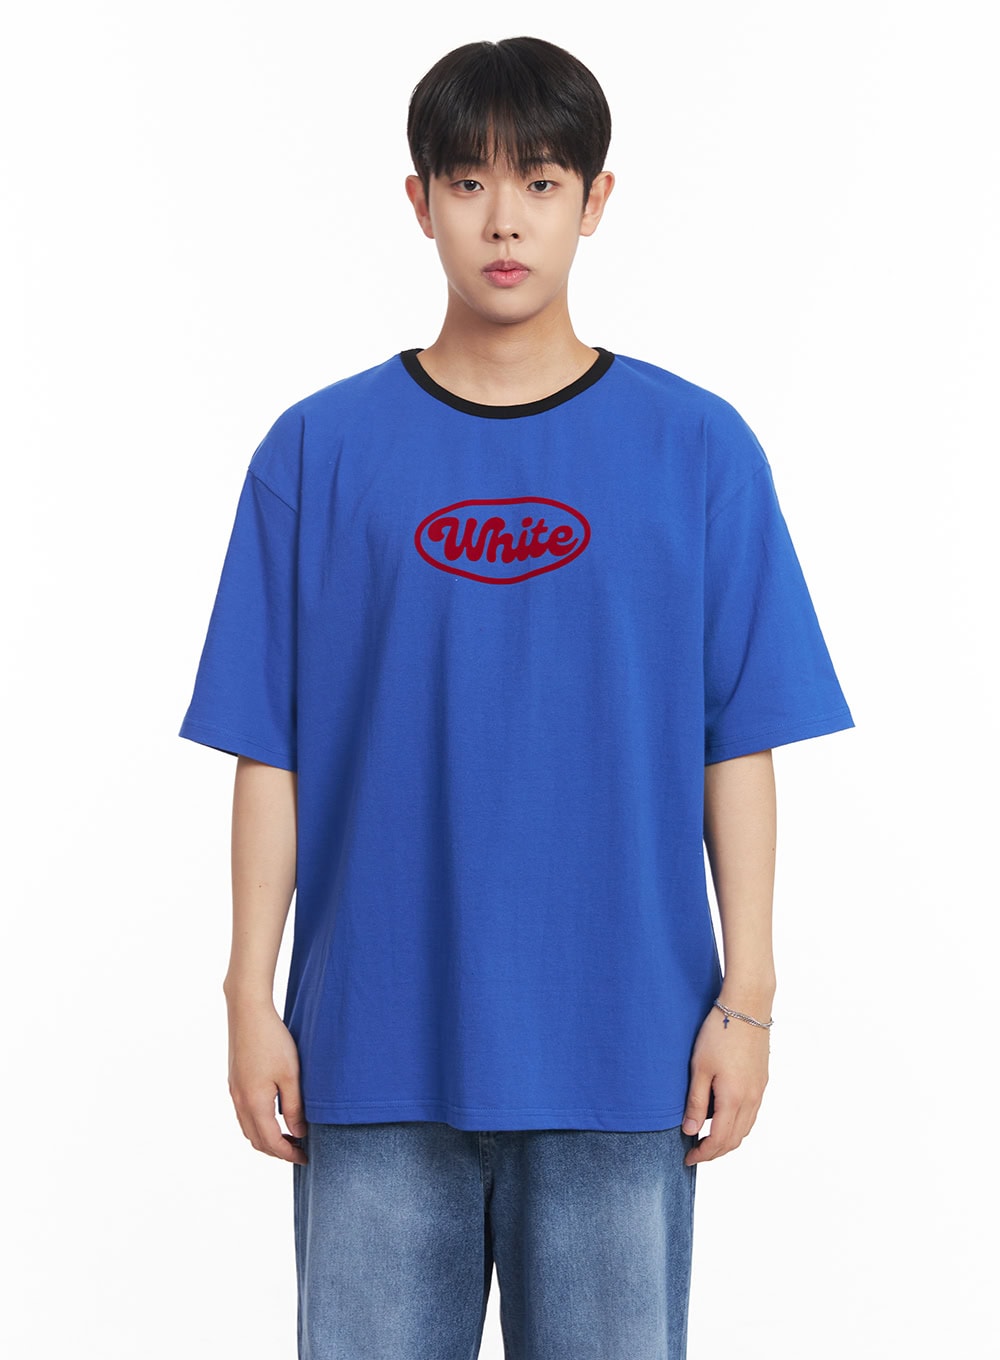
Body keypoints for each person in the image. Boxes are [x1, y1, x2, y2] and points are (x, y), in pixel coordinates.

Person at [178, 35, 854, 1360]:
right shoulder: (316, 455)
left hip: (626, 1052)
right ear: (419, 200)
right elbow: (271, 749)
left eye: (540, 182)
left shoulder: (697, 451)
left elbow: (738, 743)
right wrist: (249, 995)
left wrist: (750, 995)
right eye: (469, 181)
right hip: (375, 1050)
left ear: (595, 201)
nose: (504, 220)